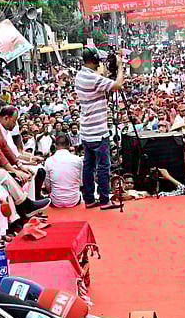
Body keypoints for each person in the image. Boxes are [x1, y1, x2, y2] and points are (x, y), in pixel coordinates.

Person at [76, 47, 126, 208]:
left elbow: (102, 80)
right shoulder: (93, 79)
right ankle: (104, 200)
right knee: (104, 166)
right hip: (98, 132)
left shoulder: (81, 75)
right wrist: (120, 66)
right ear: (94, 59)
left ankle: (89, 199)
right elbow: (118, 85)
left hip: (86, 131)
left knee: (88, 166)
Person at [43, 134, 84, 208]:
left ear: (55, 145)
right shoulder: (78, 160)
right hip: (74, 199)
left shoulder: (49, 161)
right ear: (69, 145)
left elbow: (47, 185)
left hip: (56, 200)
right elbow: (81, 182)